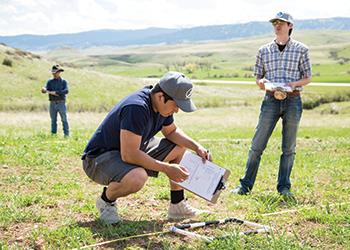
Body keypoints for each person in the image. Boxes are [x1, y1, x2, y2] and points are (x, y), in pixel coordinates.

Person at [82, 72, 212, 224]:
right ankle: (106, 201)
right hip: (99, 159)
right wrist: (167, 168)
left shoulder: (161, 106)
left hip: (129, 150)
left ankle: (177, 205)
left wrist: (197, 147)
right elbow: (129, 155)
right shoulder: (137, 107)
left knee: (179, 146)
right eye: (176, 105)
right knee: (138, 177)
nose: (177, 110)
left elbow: (171, 131)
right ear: (160, 97)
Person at [231, 12, 312, 197]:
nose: (277, 25)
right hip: (270, 100)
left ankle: (284, 188)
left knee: (288, 148)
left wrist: (294, 84)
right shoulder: (263, 51)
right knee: (257, 145)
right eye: (275, 22)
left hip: (293, 100)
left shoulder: (302, 49)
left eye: (281, 23)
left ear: (290, 26)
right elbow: (258, 78)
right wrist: (261, 83)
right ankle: (245, 186)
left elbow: (307, 77)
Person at [41, 64, 70, 137]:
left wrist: (56, 92)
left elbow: (66, 91)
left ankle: (66, 134)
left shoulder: (64, 82)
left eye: (56, 72)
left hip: (61, 103)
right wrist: (44, 89)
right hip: (52, 103)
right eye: (53, 72)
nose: (54, 74)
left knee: (64, 119)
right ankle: (53, 134)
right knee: (53, 120)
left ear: (59, 72)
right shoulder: (49, 82)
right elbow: (45, 88)